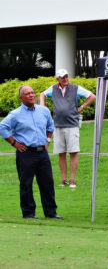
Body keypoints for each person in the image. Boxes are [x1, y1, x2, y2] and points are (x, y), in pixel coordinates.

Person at [0, 85, 62, 219]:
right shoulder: (15, 114)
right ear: (21, 98)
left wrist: (48, 140)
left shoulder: (43, 111)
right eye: (27, 94)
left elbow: (50, 126)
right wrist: (14, 143)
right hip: (26, 153)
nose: (31, 95)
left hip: (42, 153)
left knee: (47, 182)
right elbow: (2, 127)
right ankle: (28, 213)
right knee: (26, 183)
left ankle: (51, 212)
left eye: (33, 93)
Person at [40, 69, 96, 187]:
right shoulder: (53, 88)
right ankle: (64, 179)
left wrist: (82, 107)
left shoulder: (76, 88)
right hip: (58, 125)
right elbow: (42, 94)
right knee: (61, 153)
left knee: (73, 152)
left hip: (72, 125)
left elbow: (92, 96)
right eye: (62, 77)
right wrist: (43, 106)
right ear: (58, 79)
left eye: (66, 76)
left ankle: (72, 180)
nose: (65, 79)